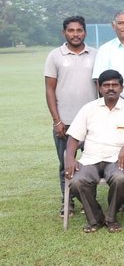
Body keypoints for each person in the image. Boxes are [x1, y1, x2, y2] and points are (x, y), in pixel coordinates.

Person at [64, 69, 124, 233]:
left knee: (120, 178)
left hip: (117, 159)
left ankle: (111, 217)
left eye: (115, 85)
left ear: (122, 88)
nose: (111, 88)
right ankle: (95, 218)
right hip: (89, 159)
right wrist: (70, 159)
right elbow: (73, 138)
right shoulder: (89, 109)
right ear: (99, 88)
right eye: (106, 85)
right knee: (77, 181)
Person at [44, 16, 98, 217]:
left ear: (85, 32)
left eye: (79, 30)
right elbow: (50, 90)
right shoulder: (55, 56)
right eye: (71, 30)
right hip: (65, 123)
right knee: (65, 164)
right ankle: (67, 202)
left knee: (90, 164)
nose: (75, 34)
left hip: (91, 123)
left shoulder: (95, 54)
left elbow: (100, 87)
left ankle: (87, 201)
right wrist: (56, 120)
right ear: (64, 32)